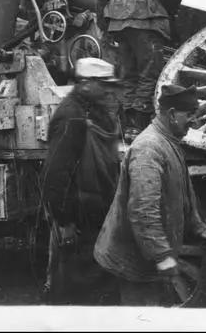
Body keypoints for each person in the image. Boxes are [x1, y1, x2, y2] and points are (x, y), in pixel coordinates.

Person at [94, 84, 206, 306]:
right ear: (171, 114)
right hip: (133, 262)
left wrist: (198, 227)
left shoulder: (169, 142)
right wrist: (162, 255)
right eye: (189, 115)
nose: (194, 121)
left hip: (148, 257)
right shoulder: (149, 149)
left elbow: (183, 193)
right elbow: (143, 210)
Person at [41, 57, 122, 305]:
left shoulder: (91, 110)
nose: (109, 89)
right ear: (86, 83)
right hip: (81, 220)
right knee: (80, 289)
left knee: (98, 284)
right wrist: (64, 221)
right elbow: (54, 175)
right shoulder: (71, 116)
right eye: (103, 84)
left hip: (97, 215)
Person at [96, 0, 184, 142]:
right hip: (147, 19)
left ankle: (128, 128)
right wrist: (169, 11)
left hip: (118, 23)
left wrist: (105, 24)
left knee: (128, 76)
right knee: (150, 72)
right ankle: (140, 127)